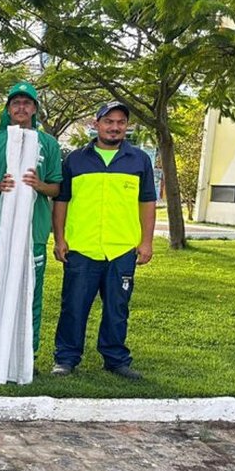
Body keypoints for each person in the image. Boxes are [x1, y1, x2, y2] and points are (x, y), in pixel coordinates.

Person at [51, 101, 155, 380]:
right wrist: (59, 239)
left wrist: (146, 242)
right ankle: (66, 358)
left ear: (126, 127)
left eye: (121, 122)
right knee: (73, 306)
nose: (115, 127)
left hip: (122, 248)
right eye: (109, 121)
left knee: (117, 308)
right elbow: (61, 201)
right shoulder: (75, 160)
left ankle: (115, 359)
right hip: (81, 247)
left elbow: (147, 203)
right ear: (96, 125)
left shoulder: (139, 159)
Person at [0, 81, 62, 372]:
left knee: (30, 292)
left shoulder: (47, 144)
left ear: (34, 109)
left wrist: (40, 185)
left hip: (33, 232)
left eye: (27, 103)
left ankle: (26, 355)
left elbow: (58, 189)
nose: (21, 108)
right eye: (16, 103)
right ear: (8, 109)